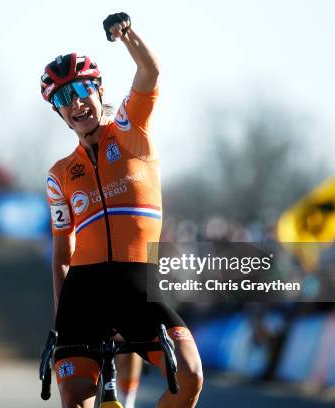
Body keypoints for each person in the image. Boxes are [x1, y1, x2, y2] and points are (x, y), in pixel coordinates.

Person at [42, 12, 203, 408]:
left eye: (81, 90)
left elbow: (150, 69)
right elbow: (62, 256)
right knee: (75, 399)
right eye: (64, 98)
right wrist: (62, 320)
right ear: (59, 112)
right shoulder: (59, 175)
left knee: (190, 376)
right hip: (84, 292)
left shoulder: (131, 131)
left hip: (137, 287)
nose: (76, 102)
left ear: (98, 90)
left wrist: (127, 35)